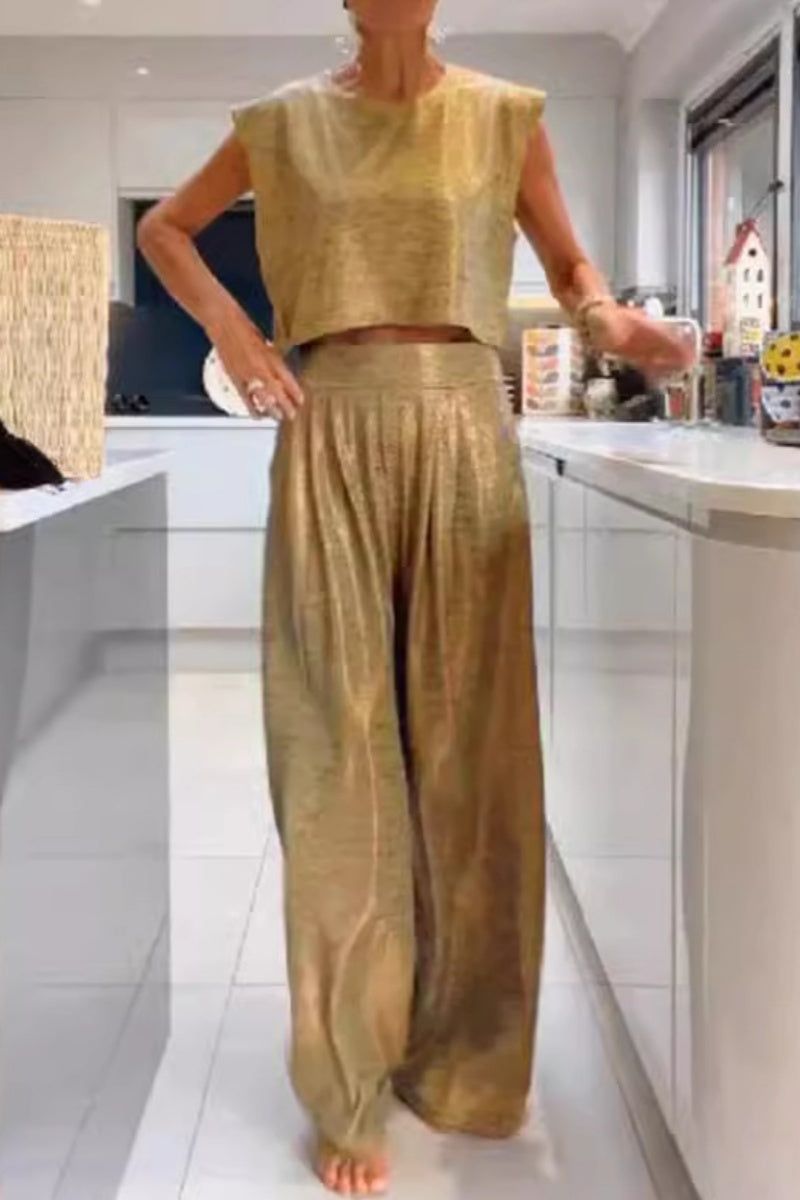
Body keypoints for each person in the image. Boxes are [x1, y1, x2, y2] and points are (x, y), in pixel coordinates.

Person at [138, 1, 692, 1194]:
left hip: (462, 425)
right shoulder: (283, 122)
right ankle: (346, 1076)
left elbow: (570, 270)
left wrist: (611, 322)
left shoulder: (503, 118)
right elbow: (165, 231)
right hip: (328, 421)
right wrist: (234, 332)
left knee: (471, 753)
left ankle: (467, 1060)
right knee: (333, 757)